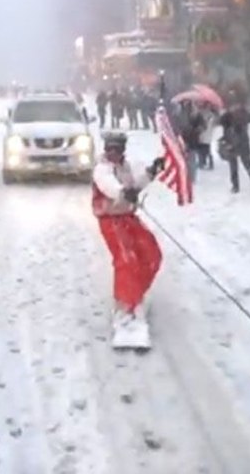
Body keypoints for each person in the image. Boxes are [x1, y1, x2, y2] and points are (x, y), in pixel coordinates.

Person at [92, 131, 166, 348]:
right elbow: (107, 185)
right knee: (127, 260)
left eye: (118, 148)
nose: (114, 152)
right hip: (110, 219)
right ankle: (125, 308)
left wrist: (151, 172)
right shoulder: (102, 168)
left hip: (128, 217)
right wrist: (122, 192)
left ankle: (134, 294)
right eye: (110, 148)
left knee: (151, 254)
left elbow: (134, 185)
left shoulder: (126, 167)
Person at [218, 99, 250, 193]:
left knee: (245, 165)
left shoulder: (241, 115)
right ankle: (240, 185)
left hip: (239, 143)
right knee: (237, 166)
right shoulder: (229, 116)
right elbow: (221, 122)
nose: (234, 107)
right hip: (235, 143)